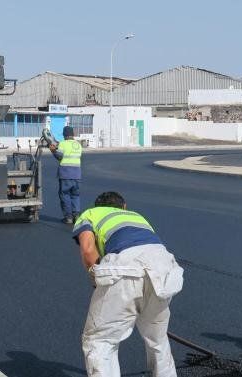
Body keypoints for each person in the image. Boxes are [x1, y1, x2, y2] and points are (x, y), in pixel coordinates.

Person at [72, 191, 184, 377]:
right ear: (124, 206)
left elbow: (88, 250)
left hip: (126, 268)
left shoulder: (90, 214)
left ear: (97, 206)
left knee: (100, 340)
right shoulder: (136, 216)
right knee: (157, 338)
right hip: (164, 270)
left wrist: (97, 281)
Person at [49, 126, 82, 224]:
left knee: (65, 194)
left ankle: (68, 217)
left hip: (66, 174)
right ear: (73, 134)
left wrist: (53, 150)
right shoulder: (78, 145)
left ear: (64, 134)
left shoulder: (63, 144)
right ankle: (76, 216)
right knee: (75, 195)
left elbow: (59, 156)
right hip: (77, 174)